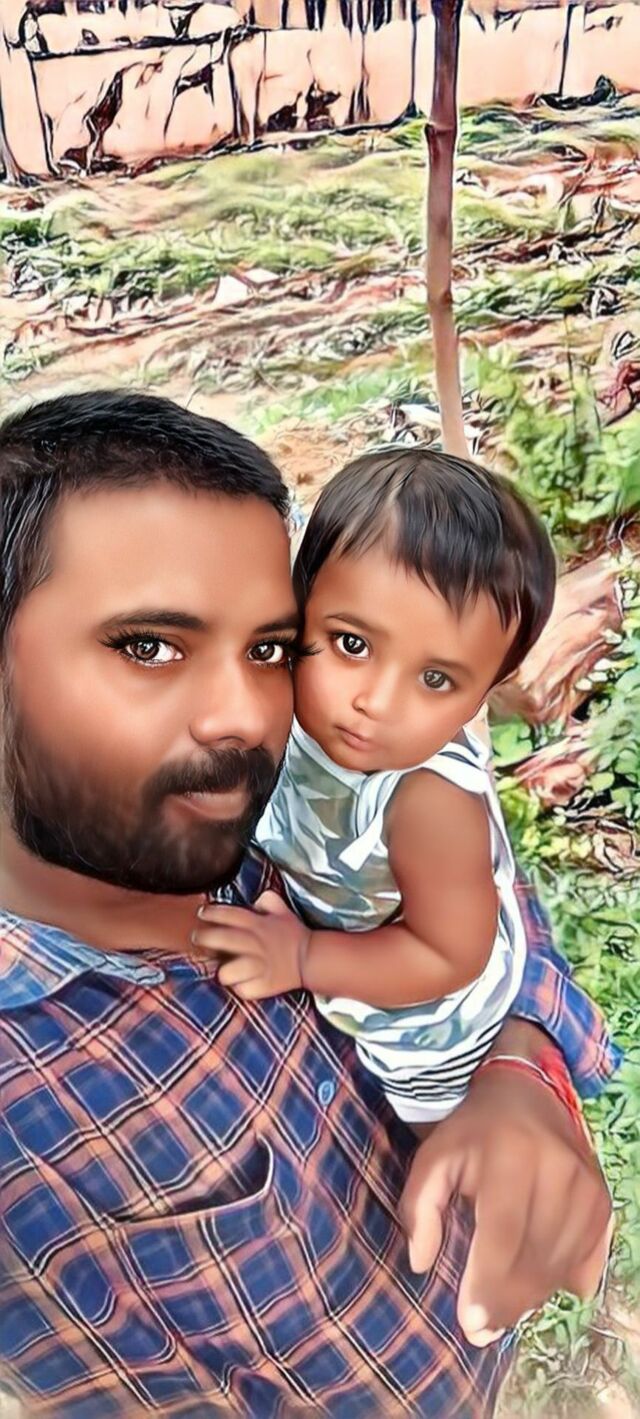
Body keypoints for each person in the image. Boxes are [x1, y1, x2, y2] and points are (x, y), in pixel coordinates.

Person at [0, 391, 619, 1418]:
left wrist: (523, 1071)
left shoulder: (312, 770)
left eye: (269, 649)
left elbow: (487, 908)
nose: (243, 716)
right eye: (148, 646)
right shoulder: (24, 1122)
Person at [195, 449, 555, 1125]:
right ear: (300, 600)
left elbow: (447, 955)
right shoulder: (280, 694)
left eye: (437, 679)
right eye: (353, 644)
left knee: (425, 1147)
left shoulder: (428, 802)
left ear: (485, 691)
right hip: (351, 936)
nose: (377, 703)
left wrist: (305, 956)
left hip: (434, 1029)